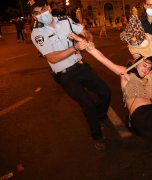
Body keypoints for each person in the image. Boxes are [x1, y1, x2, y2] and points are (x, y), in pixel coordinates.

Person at [69, 32, 152, 179]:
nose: (146, 70)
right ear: (137, 63)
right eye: (144, 65)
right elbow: (103, 59)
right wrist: (88, 47)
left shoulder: (150, 77)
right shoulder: (126, 75)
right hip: (142, 118)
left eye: (149, 67)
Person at [30, 0, 111, 151]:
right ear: (33, 17)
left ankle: (99, 115)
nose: (41, 14)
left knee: (106, 92)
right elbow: (52, 58)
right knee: (87, 104)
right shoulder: (37, 33)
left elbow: (84, 32)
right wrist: (75, 47)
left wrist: (88, 39)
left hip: (81, 66)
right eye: (36, 13)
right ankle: (97, 136)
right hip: (65, 75)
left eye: (43, 9)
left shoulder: (65, 20)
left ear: (48, 7)